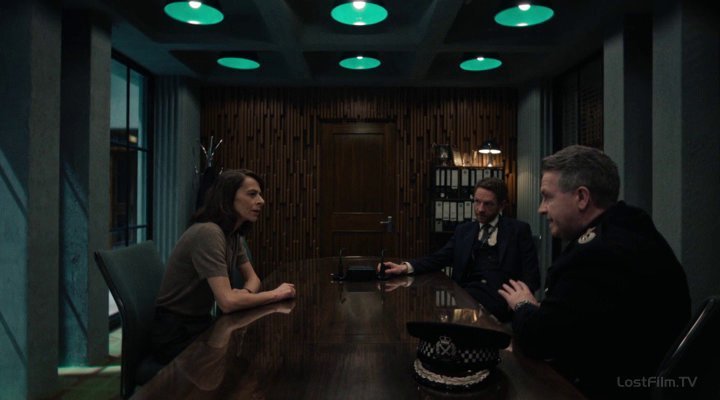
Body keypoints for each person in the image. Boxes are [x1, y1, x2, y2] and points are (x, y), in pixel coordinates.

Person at [498, 145, 691, 398]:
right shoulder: (630, 227)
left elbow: (540, 340)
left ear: (582, 197)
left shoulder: (596, 255)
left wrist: (522, 304)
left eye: (547, 197)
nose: (541, 209)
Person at [151, 169, 296, 363]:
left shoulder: (232, 235)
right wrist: (276, 294)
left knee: (248, 357)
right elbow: (227, 303)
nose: (261, 201)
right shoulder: (208, 233)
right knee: (245, 363)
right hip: (174, 333)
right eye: (252, 194)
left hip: (199, 323)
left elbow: (253, 279)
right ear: (228, 198)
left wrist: (244, 294)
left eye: (260, 194)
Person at [380, 177, 540, 321]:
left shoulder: (518, 230)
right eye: (477, 202)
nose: (480, 209)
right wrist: (405, 267)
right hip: (466, 296)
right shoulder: (464, 231)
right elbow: (438, 258)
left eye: (488, 204)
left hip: (501, 299)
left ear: (502, 205)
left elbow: (532, 275)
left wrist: (519, 303)